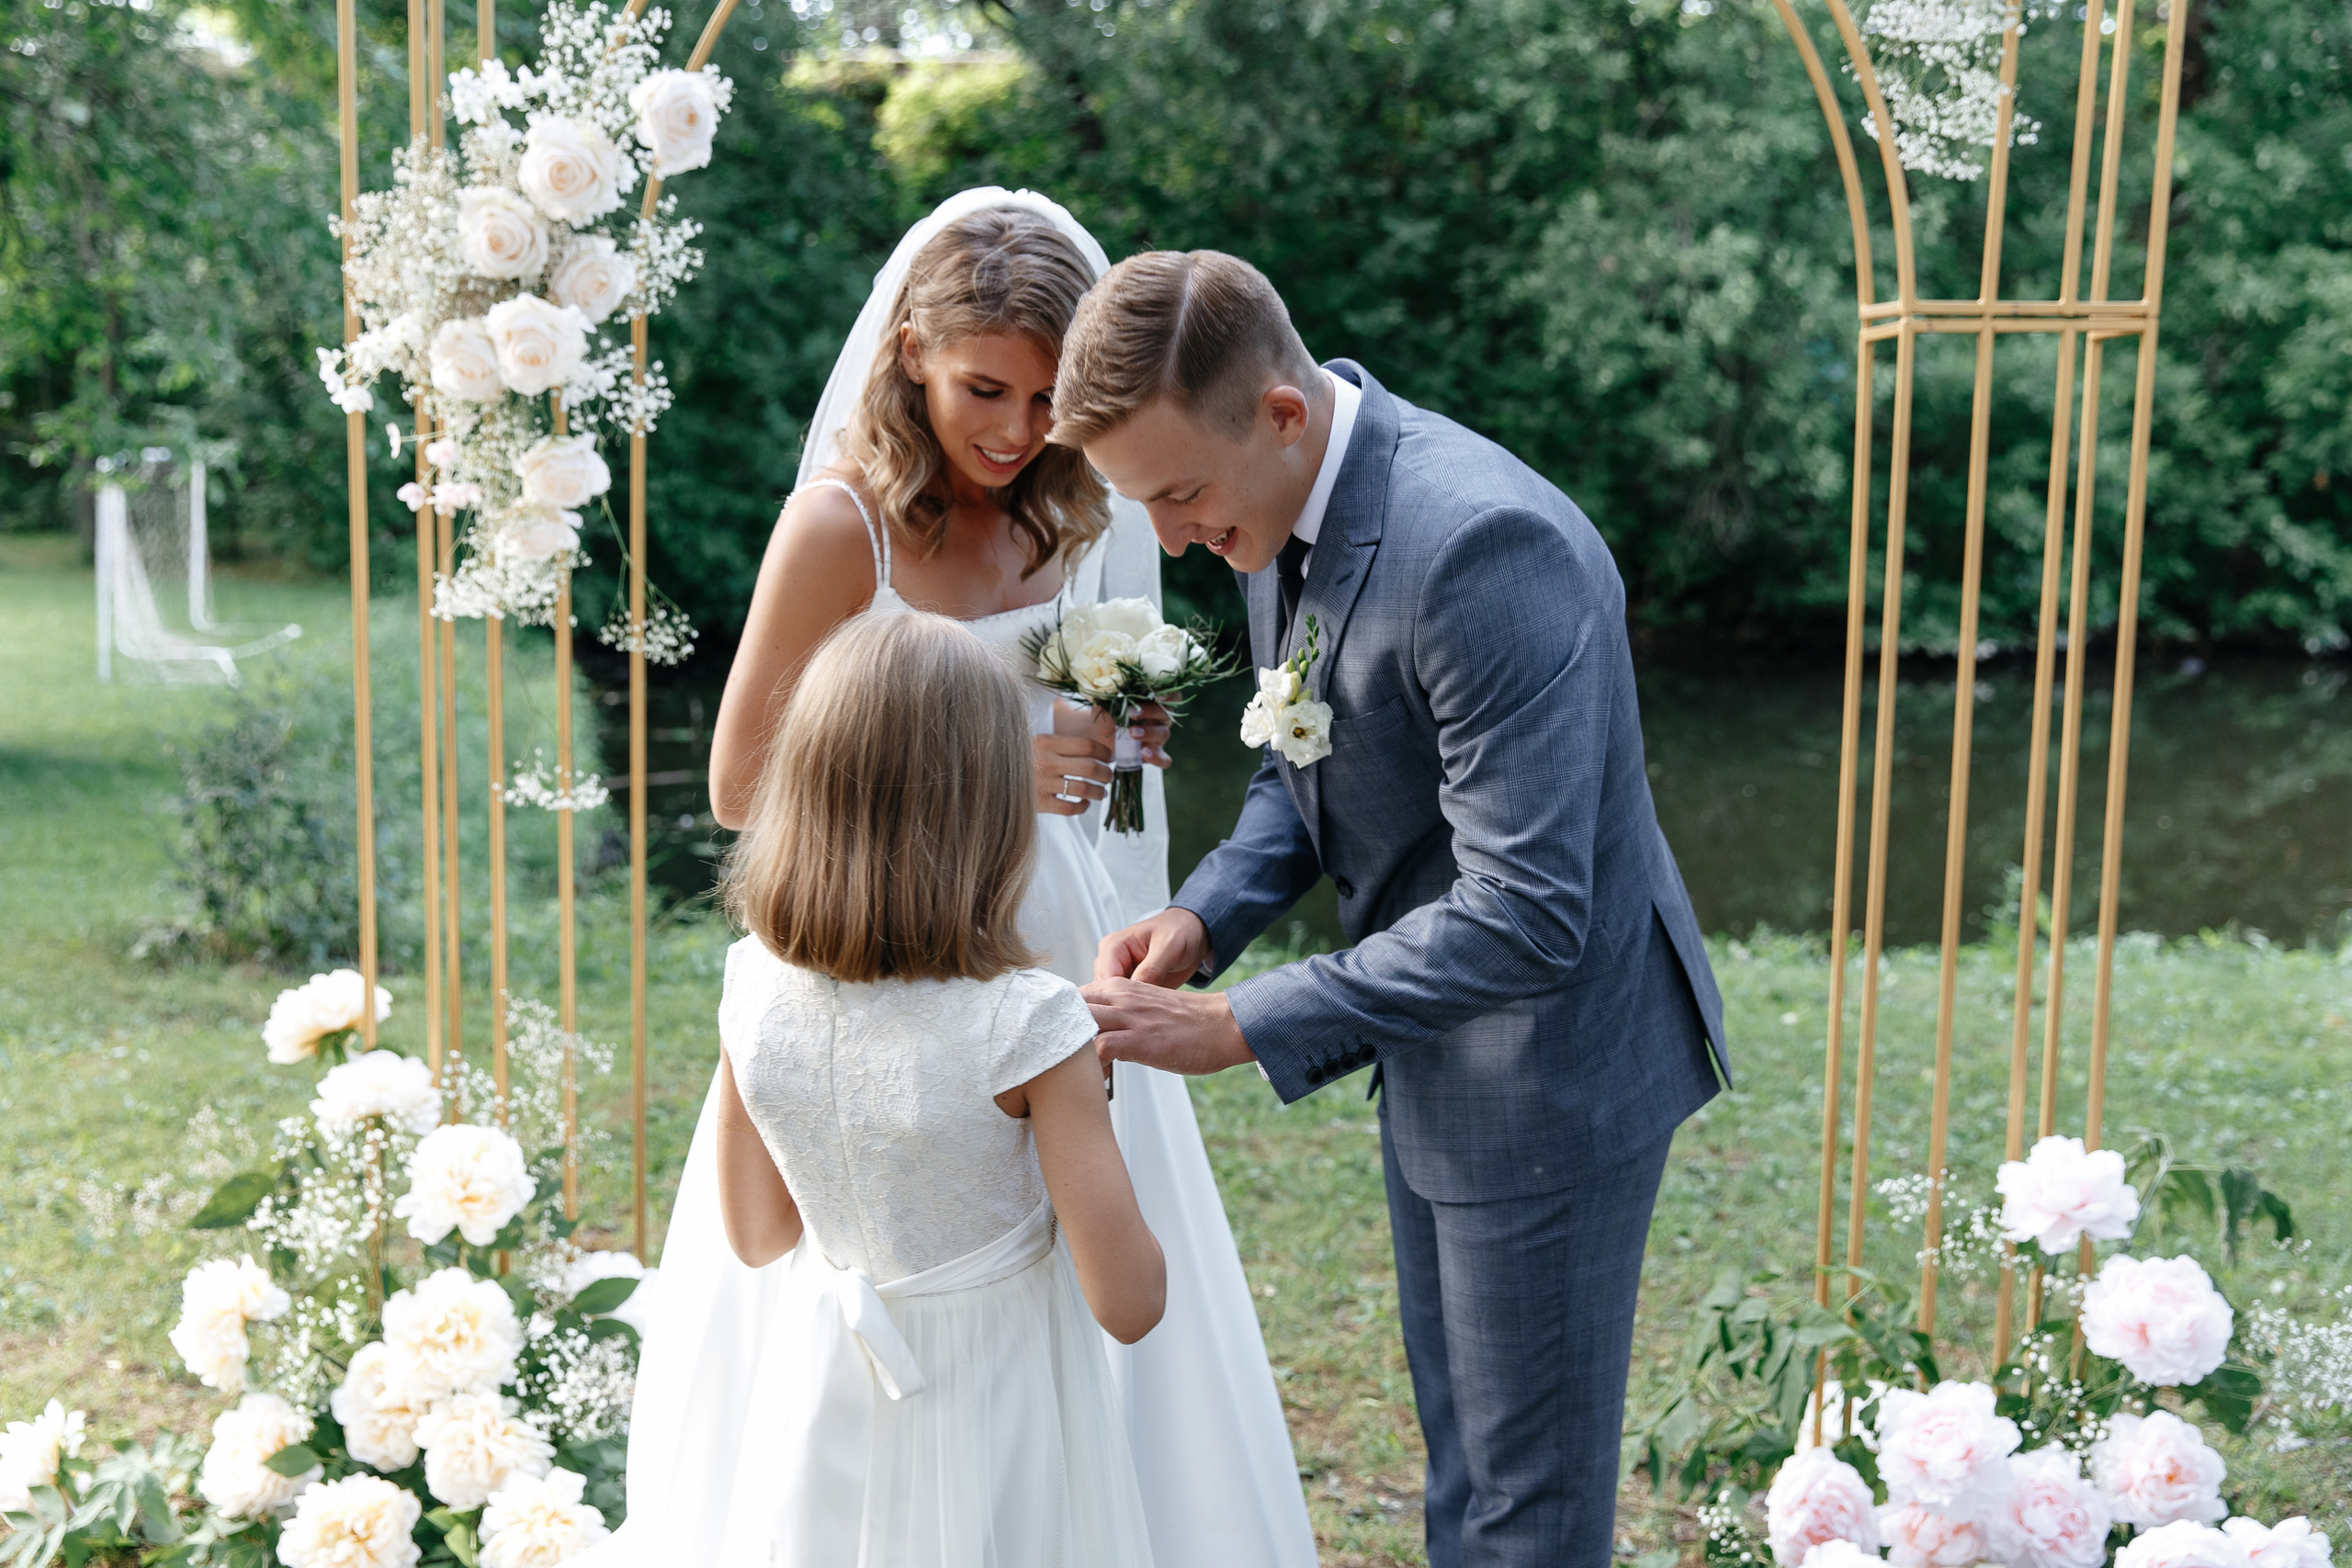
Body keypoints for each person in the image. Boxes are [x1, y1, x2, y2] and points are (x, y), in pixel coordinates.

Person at [620, 193, 1317, 1566]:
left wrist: (1114, 738)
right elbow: (740, 788)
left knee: (1085, 1215)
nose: (1015, 429)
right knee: (896, 1231)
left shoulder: (1067, 510)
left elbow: (1080, 729)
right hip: (887, 936)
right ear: (911, 361)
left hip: (1044, 927)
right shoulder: (844, 527)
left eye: (1049, 399)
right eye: (983, 390)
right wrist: (997, 765)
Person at [1058, 249, 1735, 1568]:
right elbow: (1302, 755)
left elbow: (1528, 909)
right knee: (1465, 1459)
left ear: (1281, 413)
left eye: (1180, 496)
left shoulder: (1484, 549)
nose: (1178, 537)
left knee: (1525, 1508)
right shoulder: (1275, 501)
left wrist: (1241, 1024)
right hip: (1435, 1039)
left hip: (1551, 1067)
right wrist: (1203, 920)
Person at [701, 609, 1161, 1563]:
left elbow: (757, 1236)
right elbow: (1130, 1301)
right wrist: (1088, 1096)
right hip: (996, 1397)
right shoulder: (1029, 1023)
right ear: (991, 809)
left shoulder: (752, 984)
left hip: (825, 1388)